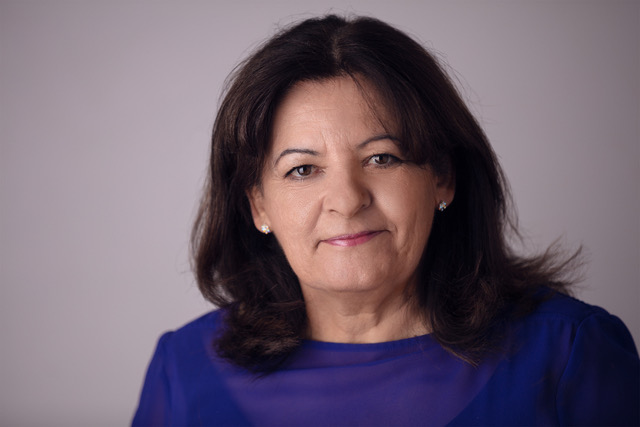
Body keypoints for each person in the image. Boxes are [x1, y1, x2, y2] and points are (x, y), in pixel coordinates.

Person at [132, 15, 639, 426]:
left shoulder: (570, 353)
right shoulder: (185, 370)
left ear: (442, 177)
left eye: (382, 158)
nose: (347, 200)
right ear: (258, 206)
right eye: (303, 169)